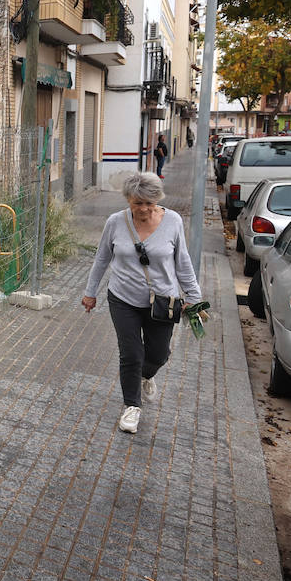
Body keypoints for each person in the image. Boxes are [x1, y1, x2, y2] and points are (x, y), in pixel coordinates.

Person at [81, 173, 203, 434]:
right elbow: (101, 259)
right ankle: (131, 407)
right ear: (128, 200)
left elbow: (183, 263)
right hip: (123, 298)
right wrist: (90, 292)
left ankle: (147, 375)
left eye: (150, 202)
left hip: (162, 301)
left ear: (158, 200)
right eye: (138, 203)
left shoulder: (173, 221)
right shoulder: (115, 222)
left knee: (159, 354)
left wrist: (194, 298)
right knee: (131, 353)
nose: (144, 209)